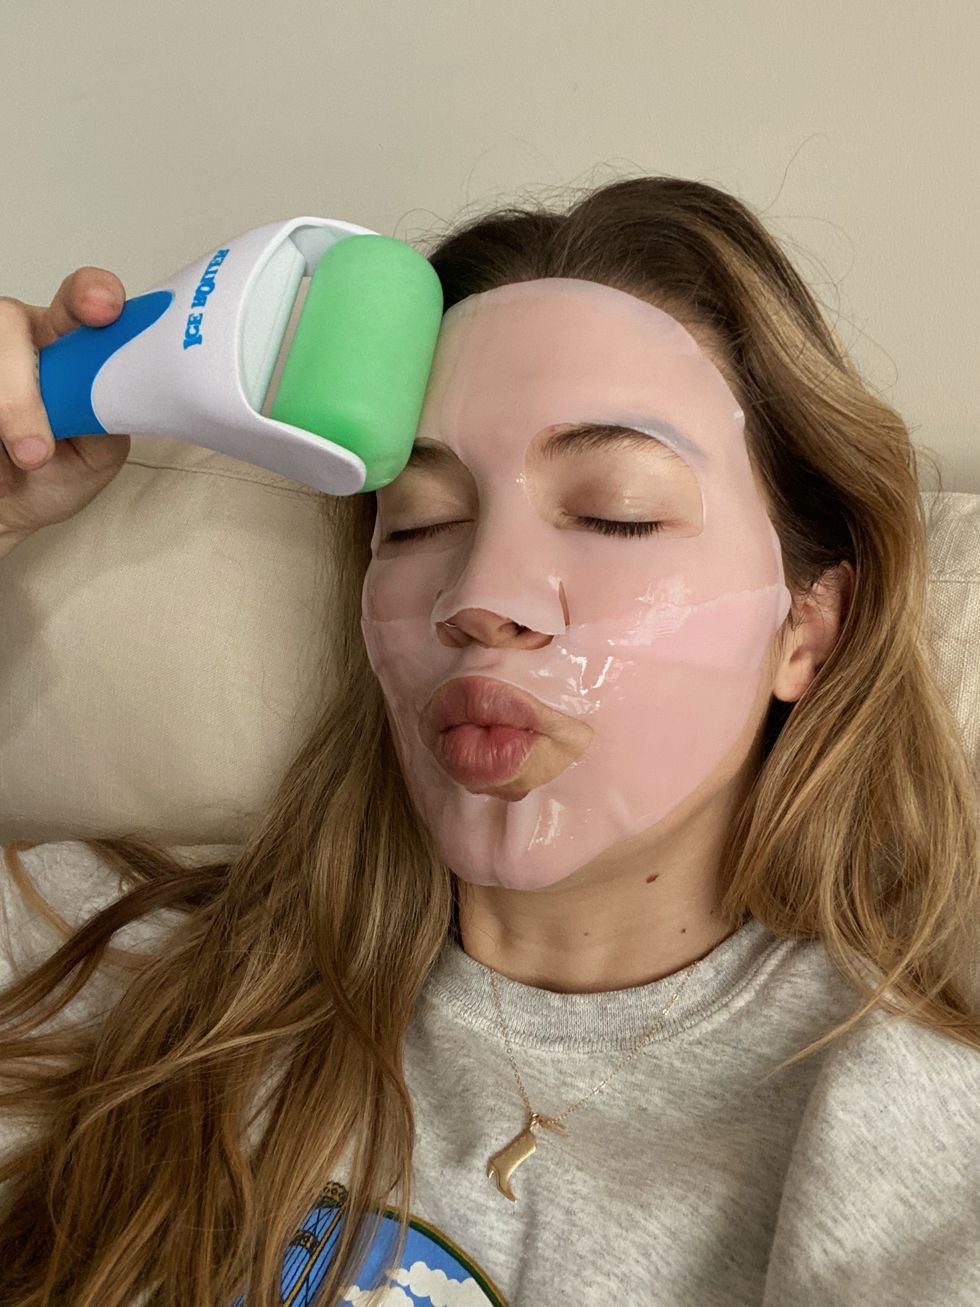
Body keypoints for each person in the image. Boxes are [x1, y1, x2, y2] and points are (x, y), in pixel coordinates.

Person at [0, 175, 978, 1307]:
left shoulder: (897, 1125)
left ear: (806, 629)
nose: (477, 597)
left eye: (614, 512)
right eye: (419, 522)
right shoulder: (102, 960)